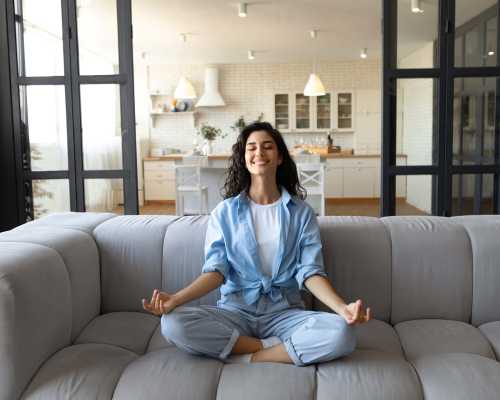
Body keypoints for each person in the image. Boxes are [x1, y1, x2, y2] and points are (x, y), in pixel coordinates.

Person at [142, 121, 371, 366]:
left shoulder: (301, 213)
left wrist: (342, 308)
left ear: (280, 156)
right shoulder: (224, 212)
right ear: (244, 157)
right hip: (235, 312)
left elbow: (310, 272)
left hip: (286, 313)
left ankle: (247, 356)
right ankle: (270, 348)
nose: (258, 153)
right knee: (172, 323)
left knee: (343, 333)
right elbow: (216, 272)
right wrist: (175, 299)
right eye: (251, 148)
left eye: (267, 147)